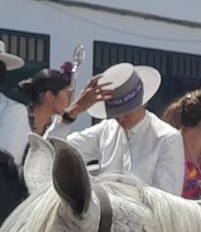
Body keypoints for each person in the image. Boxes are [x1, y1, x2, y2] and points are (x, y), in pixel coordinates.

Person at [46, 62, 184, 195]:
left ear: (144, 102)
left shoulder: (167, 139)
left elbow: (166, 200)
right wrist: (72, 112)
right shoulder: (107, 130)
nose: (121, 119)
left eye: (127, 112)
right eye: (116, 114)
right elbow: (50, 151)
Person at [18, 66, 76, 137]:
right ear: (50, 96)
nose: (70, 100)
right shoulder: (20, 120)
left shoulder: (54, 125)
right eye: (67, 95)